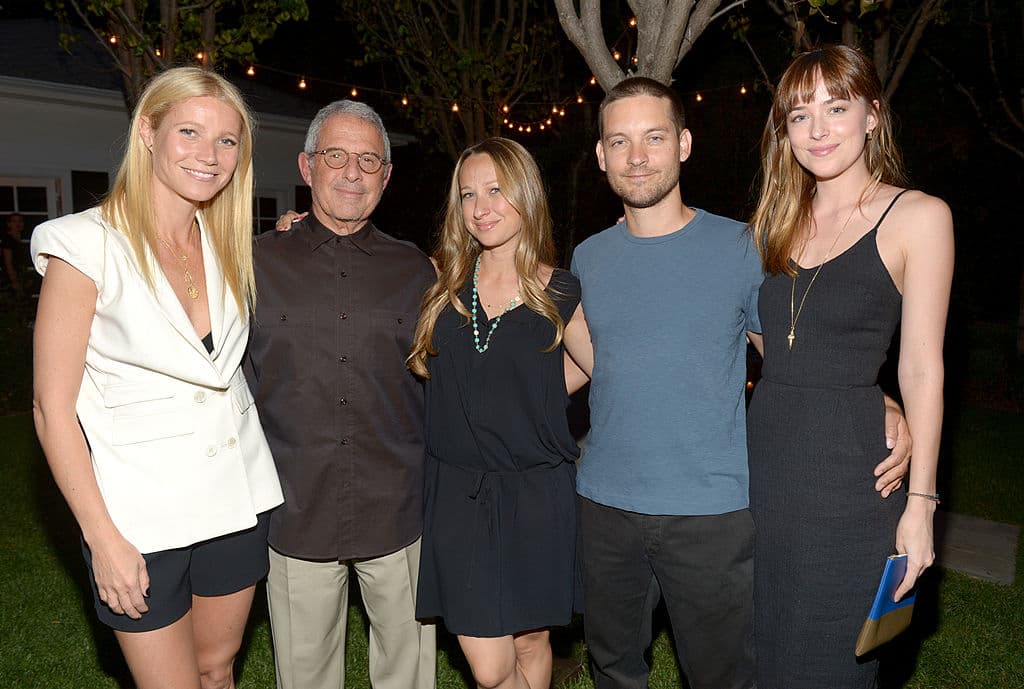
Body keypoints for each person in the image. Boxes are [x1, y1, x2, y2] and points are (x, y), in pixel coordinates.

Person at [559, 77, 911, 689]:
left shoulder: (743, 247)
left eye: (654, 137)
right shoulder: (588, 257)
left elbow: (799, 355)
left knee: (722, 676)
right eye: (619, 141)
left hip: (714, 513)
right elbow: (598, 361)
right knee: (613, 670)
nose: (636, 156)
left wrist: (879, 398)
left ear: (684, 145)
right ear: (600, 156)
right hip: (605, 505)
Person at [31, 66, 283, 689]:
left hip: (236, 500)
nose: (210, 155)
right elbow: (50, 409)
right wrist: (103, 538)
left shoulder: (226, 241)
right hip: (139, 517)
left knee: (218, 670)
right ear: (148, 130)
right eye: (190, 132)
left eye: (227, 141)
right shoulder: (83, 244)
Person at [746, 45, 953, 688]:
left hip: (848, 479)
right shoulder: (774, 220)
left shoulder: (918, 217)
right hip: (764, 468)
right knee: (761, 655)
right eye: (800, 114)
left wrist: (921, 505)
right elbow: (769, 336)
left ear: (872, 114)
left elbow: (922, 366)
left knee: (829, 661)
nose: (817, 129)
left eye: (836, 108)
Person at [244, 100, 437, 689]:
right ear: (307, 166)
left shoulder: (418, 272)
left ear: (386, 176)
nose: (352, 173)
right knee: (304, 676)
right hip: (295, 509)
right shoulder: (250, 263)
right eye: (336, 156)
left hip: (400, 509)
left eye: (368, 160)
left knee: (408, 675)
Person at [408, 137, 583, 689]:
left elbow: (596, 368)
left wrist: (537, 400)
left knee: (532, 639)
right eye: (468, 195)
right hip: (459, 494)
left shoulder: (558, 288)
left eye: (496, 191)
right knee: (489, 667)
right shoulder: (440, 284)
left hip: (537, 492)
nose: (481, 208)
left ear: (525, 196)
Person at [2, 212, 27, 297]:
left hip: (21, 275)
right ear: (8, 224)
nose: (18, 224)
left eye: (20, 221)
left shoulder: (18, 240)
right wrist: (14, 280)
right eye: (14, 221)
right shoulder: (8, 240)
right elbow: (7, 262)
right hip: (11, 277)